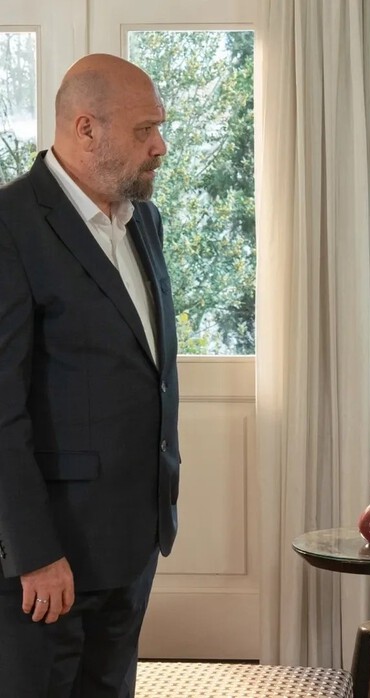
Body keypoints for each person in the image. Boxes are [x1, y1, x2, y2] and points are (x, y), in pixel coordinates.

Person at [0, 53, 180, 696]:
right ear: (85, 129)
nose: (159, 146)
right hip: (49, 557)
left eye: (160, 128)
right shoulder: (10, 226)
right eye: (144, 130)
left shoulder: (142, 220)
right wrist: (34, 553)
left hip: (131, 540)